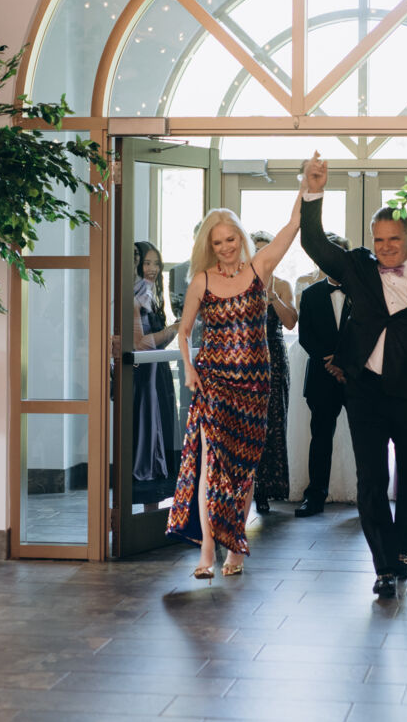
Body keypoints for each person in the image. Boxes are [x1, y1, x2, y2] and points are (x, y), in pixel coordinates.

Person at [300, 152, 407, 598]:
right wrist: (313, 191)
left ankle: (403, 550)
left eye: (394, 239)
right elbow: (314, 243)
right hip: (366, 393)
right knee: (371, 481)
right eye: (379, 240)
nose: (386, 247)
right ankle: (384, 565)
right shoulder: (357, 268)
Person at [167, 198, 301, 579]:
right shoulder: (202, 280)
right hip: (213, 382)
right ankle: (207, 550)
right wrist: (189, 368)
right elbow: (184, 331)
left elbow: (292, 227)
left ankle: (236, 547)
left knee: (243, 469)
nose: (226, 247)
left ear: (241, 238)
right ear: (208, 246)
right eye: (218, 242)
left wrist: (306, 190)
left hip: (255, 385)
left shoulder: (259, 269)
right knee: (211, 466)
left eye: (231, 239)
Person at [294, 233, 352, 518]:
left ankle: (370, 498)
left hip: (356, 376)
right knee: (320, 439)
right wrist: (330, 361)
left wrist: (345, 361)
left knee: (366, 438)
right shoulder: (311, 294)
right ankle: (315, 496)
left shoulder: (363, 291)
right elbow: (305, 336)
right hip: (321, 376)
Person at [250, 230, 297, 514]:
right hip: (248, 358)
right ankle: (247, 487)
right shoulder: (241, 282)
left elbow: (291, 322)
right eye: (257, 250)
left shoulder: (282, 284)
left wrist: (273, 298)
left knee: (274, 423)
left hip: (275, 357)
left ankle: (268, 489)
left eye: (267, 250)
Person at [132, 241, 180, 487]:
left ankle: (156, 482)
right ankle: (146, 478)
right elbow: (140, 344)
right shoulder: (135, 297)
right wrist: (176, 327)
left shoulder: (150, 294)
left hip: (157, 369)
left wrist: (175, 328)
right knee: (148, 425)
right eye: (146, 263)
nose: (152, 268)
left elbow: (158, 340)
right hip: (143, 373)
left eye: (156, 263)